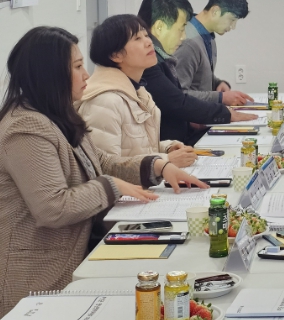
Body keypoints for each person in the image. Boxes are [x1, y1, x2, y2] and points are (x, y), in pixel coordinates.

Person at [0, 27, 206, 314]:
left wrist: (157, 165)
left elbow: (101, 162)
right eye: (77, 67)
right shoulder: (25, 128)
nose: (86, 74)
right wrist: (111, 186)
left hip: (78, 252)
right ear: (50, 73)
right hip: (38, 273)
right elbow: (52, 207)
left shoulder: (58, 113)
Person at [138, 0, 256, 145]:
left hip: (176, 141)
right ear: (159, 27)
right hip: (171, 143)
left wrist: (217, 84)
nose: (183, 36)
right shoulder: (151, 64)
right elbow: (178, 100)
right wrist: (223, 110)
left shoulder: (163, 57)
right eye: (181, 28)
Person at [76, 14, 195, 167]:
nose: (149, 42)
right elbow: (105, 166)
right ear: (116, 55)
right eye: (137, 38)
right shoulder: (104, 101)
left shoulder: (137, 90)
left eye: (146, 35)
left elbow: (134, 147)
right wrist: (165, 160)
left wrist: (167, 148)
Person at [174, 0, 253, 106]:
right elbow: (177, 95)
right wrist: (220, 98)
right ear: (215, 11)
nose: (233, 26)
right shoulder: (188, 42)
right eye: (232, 20)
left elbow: (197, 76)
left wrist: (218, 83)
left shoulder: (207, 36)